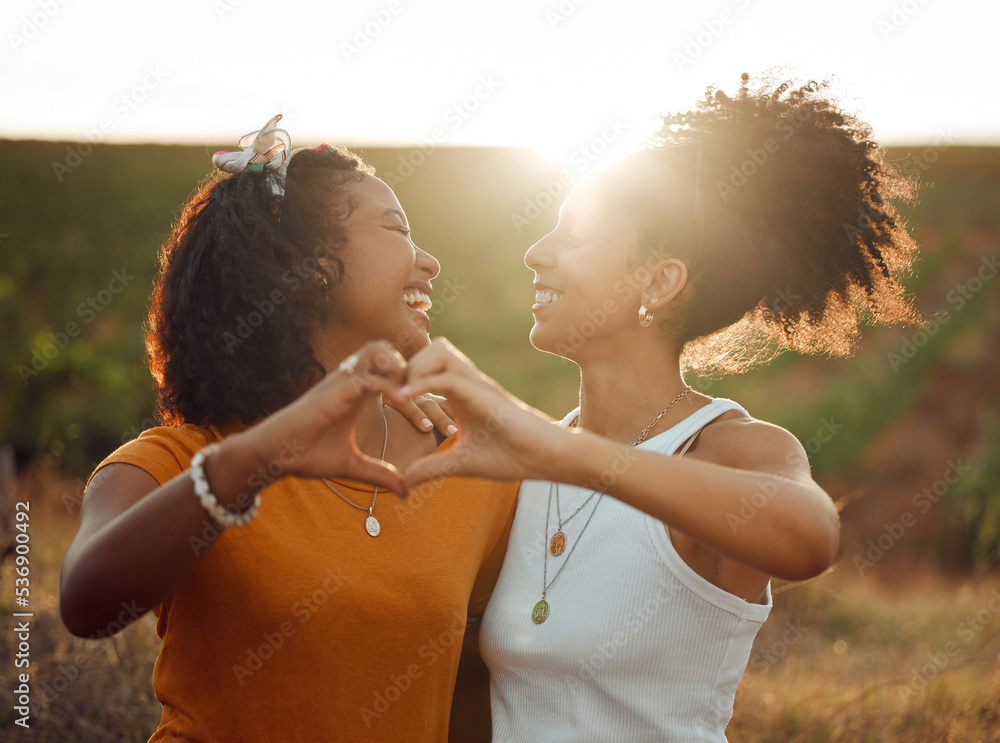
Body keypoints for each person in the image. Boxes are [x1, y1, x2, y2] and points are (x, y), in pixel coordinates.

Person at [398, 75, 922, 741]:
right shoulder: (528, 460)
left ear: (659, 279)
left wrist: (557, 450)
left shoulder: (728, 447)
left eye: (578, 234)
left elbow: (810, 534)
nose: (537, 252)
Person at [59, 115, 517, 742]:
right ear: (307, 262)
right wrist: (262, 458)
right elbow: (88, 605)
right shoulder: (173, 460)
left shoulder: (462, 461)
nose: (429, 262)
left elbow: (476, 681)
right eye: (396, 229)